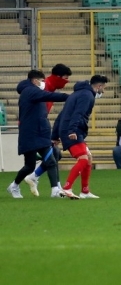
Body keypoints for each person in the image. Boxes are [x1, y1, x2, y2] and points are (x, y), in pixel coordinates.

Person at [6, 70, 68, 199]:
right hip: (31, 134)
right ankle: (14, 185)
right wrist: (67, 97)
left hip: (39, 134)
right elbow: (49, 96)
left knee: (51, 160)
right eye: (41, 81)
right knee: (29, 166)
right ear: (35, 81)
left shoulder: (30, 91)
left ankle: (55, 190)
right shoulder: (30, 91)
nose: (43, 83)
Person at [52, 75, 108, 199]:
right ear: (99, 86)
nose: (103, 91)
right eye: (103, 88)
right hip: (72, 130)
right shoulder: (87, 96)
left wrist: (55, 135)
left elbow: (61, 115)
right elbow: (79, 113)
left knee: (88, 157)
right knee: (83, 159)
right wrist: (72, 130)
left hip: (70, 129)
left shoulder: (75, 94)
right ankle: (67, 188)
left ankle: (85, 191)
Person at [23, 63, 73, 196]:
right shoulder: (45, 87)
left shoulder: (48, 87)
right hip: (34, 130)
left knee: (55, 154)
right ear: (58, 77)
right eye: (65, 78)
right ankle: (54, 188)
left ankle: (35, 178)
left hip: (38, 128)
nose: (67, 82)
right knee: (53, 154)